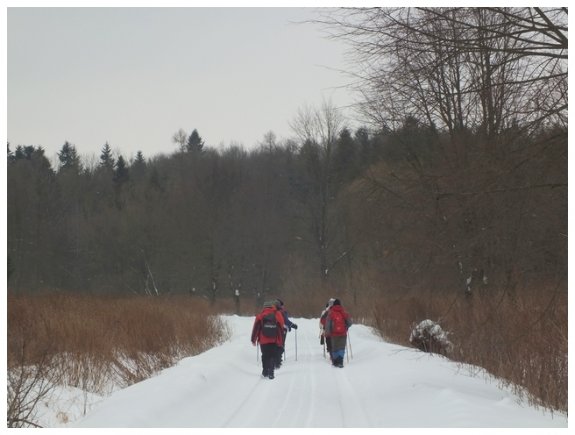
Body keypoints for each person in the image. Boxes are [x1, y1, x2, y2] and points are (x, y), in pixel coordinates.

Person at [251, 300, 285, 379]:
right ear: (272, 306)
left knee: (265, 355)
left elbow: (256, 328)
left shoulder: (261, 315)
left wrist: (253, 340)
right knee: (272, 355)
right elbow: (281, 326)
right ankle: (271, 373)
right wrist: (281, 340)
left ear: (264, 307)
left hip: (263, 340)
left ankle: (265, 371)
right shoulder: (277, 314)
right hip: (274, 340)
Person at [325, 298, 352, 368]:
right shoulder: (344, 312)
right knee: (341, 347)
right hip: (343, 334)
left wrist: (327, 333)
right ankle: (340, 361)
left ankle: (335, 362)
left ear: (333, 305)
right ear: (340, 304)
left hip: (334, 334)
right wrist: (346, 327)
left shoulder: (331, 313)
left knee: (335, 347)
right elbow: (350, 323)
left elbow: (327, 324)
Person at [274, 299, 297, 369]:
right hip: (282, 330)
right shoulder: (282, 312)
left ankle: (276, 359)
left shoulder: (272, 311)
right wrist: (293, 325)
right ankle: (278, 360)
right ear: (281, 305)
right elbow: (286, 321)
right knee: (281, 344)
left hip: (273, 330)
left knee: (275, 344)